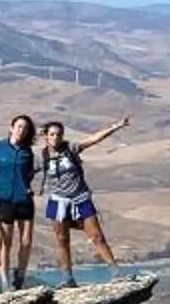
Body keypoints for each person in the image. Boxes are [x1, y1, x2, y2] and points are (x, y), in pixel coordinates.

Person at [39, 113, 129, 284]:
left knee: (97, 236)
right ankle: (68, 278)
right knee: (62, 240)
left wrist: (116, 126)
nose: (55, 137)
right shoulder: (41, 157)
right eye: (52, 134)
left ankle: (116, 273)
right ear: (46, 136)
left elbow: (93, 139)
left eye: (58, 134)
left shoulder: (71, 149)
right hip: (58, 202)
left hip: (80, 198)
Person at [0, 114, 39, 288]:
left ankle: (20, 276)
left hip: (24, 199)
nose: (21, 130)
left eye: (25, 128)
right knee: (6, 241)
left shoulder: (27, 152)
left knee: (26, 241)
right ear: (11, 128)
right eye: (19, 126)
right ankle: (4, 279)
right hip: (4, 200)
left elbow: (30, 172)